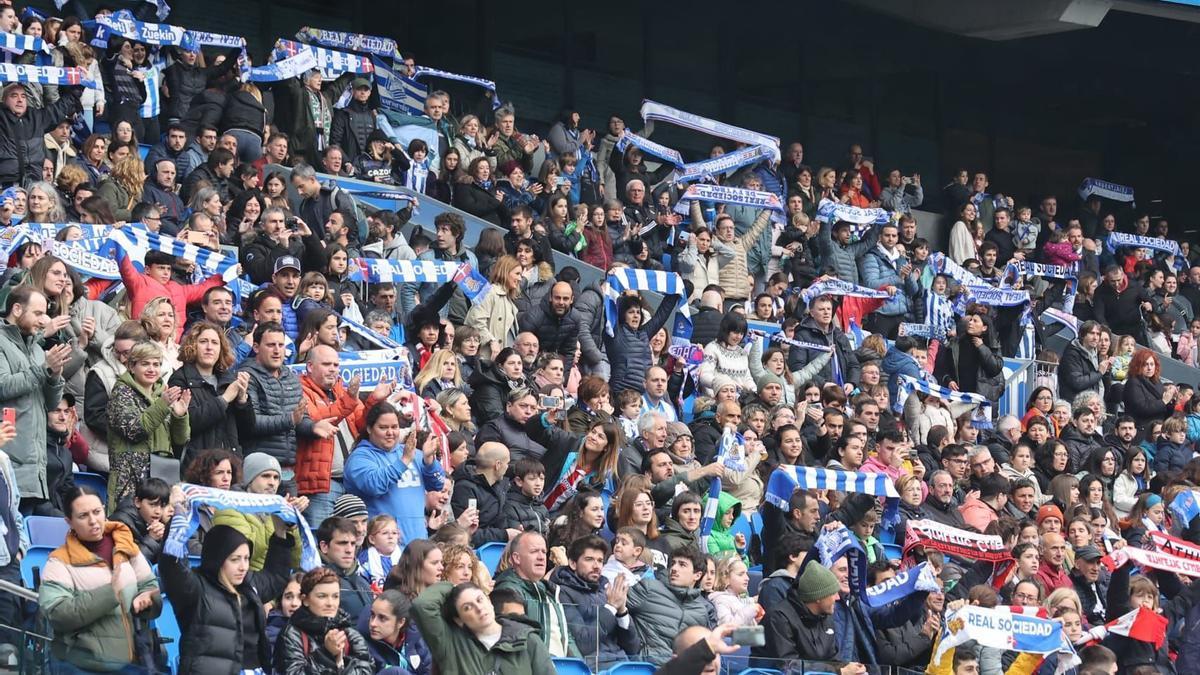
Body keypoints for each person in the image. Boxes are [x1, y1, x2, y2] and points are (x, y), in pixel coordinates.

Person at [39, 486, 162, 673]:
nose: (93, 521)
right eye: (83, 516)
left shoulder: (125, 545)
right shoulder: (59, 561)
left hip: (135, 662)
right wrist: (110, 593)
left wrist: (148, 599)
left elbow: (149, 585)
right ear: (69, 521)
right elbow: (57, 613)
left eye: (97, 512)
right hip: (83, 666)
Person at [160, 517, 292, 675]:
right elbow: (170, 565)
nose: (243, 567)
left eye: (246, 558)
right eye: (235, 559)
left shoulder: (249, 583)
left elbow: (276, 576)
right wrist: (178, 518)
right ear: (217, 558)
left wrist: (280, 531)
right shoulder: (196, 587)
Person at [297, 345, 394, 527]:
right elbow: (316, 420)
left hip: (352, 480)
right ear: (310, 366)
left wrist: (373, 400)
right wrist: (349, 399)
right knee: (323, 539)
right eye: (326, 364)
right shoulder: (298, 389)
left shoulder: (341, 391)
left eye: (336, 364)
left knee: (354, 539)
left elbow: (361, 425)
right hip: (323, 485)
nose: (333, 369)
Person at [0, 286, 69, 512]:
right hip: (7, 462)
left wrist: (55, 374)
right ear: (17, 309)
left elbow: (50, 403)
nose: (43, 321)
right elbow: (3, 385)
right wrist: (43, 370)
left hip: (35, 470)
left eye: (45, 314)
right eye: (38, 314)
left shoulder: (38, 350)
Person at [344, 402, 446, 547]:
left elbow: (437, 484)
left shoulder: (412, 453)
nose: (390, 432)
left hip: (418, 544)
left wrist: (430, 462)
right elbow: (375, 485)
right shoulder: (360, 458)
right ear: (369, 429)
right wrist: (403, 461)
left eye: (394, 427)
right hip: (383, 548)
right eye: (383, 428)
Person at [107, 340, 191, 509]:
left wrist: (180, 416)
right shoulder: (121, 392)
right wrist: (163, 404)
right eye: (145, 364)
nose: (152, 369)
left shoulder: (163, 393)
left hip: (162, 477)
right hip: (130, 480)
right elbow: (134, 430)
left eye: (156, 364)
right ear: (132, 367)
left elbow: (180, 440)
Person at [412, 580, 556, 674]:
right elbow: (422, 605)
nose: (479, 608)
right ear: (459, 619)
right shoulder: (451, 644)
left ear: (490, 601)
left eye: (480, 600)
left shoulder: (527, 640)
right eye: (468, 607)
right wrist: (453, 586)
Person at [273, 566, 374, 675]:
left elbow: (368, 669)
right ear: (305, 600)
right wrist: (326, 653)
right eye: (322, 596)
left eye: (335, 596)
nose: (330, 603)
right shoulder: (291, 635)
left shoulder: (349, 633)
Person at [626, 545, 714, 665]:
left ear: (697, 575)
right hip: (648, 667)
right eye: (673, 563)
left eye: (682, 564)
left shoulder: (701, 611)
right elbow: (614, 607)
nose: (674, 568)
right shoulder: (649, 588)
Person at [491, 531, 575, 657]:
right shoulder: (508, 591)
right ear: (516, 558)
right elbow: (519, 641)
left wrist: (580, 666)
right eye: (534, 551)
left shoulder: (550, 591)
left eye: (543, 552)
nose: (541, 557)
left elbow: (566, 637)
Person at [364, 590, 431, 674]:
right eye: (372, 615)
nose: (373, 623)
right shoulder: (363, 647)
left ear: (401, 622)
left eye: (382, 618)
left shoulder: (415, 638)